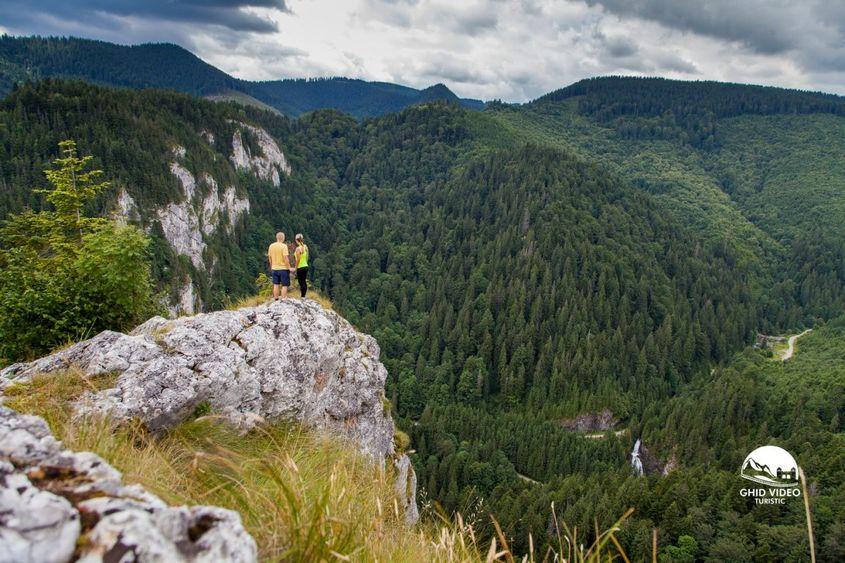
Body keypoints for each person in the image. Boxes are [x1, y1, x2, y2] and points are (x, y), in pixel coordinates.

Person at [268, 232, 291, 300]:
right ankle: (283, 299)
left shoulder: (271, 246)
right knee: (284, 285)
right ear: (283, 238)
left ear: (276, 238)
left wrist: (271, 266)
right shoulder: (284, 246)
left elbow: (269, 257)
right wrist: (289, 267)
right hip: (283, 269)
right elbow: (285, 258)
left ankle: (276, 299)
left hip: (274, 268)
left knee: (276, 284)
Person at [294, 233, 309, 298]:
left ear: (296, 240)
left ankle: (302, 296)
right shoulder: (305, 246)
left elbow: (298, 259)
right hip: (305, 266)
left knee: (301, 282)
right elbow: (307, 256)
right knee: (304, 281)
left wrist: (295, 267)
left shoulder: (298, 249)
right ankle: (304, 296)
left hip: (300, 267)